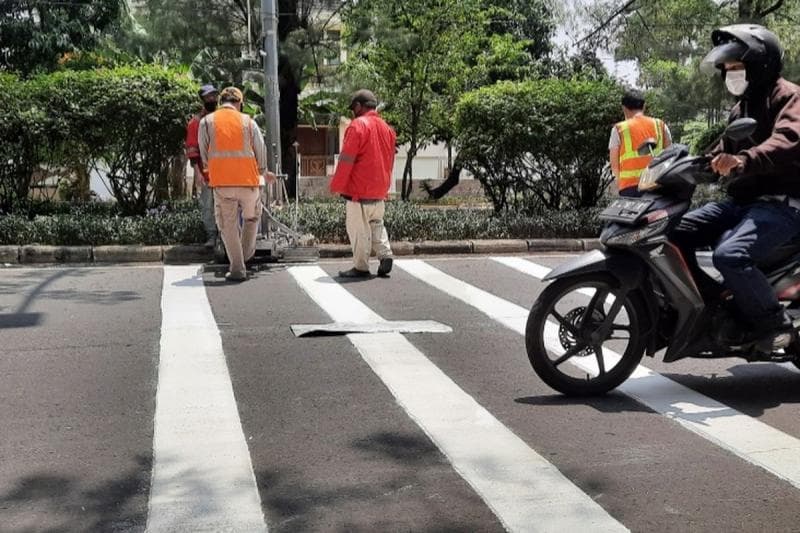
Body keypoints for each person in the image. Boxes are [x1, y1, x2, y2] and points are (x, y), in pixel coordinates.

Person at [670, 24, 800, 350]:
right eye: (727, 69)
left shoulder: (789, 97)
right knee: (671, 231)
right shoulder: (741, 107)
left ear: (760, 66)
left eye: (737, 67)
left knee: (730, 255)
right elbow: (720, 150)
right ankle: (711, 304)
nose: (731, 75)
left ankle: (775, 322)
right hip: (742, 203)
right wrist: (684, 166)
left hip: (782, 205)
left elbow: (787, 142)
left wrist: (743, 160)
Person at [198, 86, 275, 282]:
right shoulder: (248, 122)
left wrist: (210, 170)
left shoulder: (207, 122)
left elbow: (204, 153)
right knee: (251, 218)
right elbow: (260, 148)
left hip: (222, 184)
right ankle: (247, 254)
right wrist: (263, 172)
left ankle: (238, 268)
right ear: (239, 103)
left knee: (228, 226)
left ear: (221, 101)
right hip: (248, 183)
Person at [330, 89, 397, 278]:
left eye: (354, 108)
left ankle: (360, 266)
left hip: (358, 191)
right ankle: (385, 255)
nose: (353, 112)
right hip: (379, 190)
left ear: (359, 106)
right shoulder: (387, 128)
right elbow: (390, 161)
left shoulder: (358, 125)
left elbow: (347, 160)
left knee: (358, 229)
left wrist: (336, 186)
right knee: (376, 224)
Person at [609, 89, 672, 197]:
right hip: (657, 185)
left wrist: (620, 184)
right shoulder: (660, 125)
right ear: (644, 106)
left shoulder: (619, 129)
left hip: (630, 188)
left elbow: (614, 166)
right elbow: (670, 155)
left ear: (624, 108)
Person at [186, 84, 220, 249]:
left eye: (214, 95)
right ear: (203, 99)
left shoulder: (223, 118)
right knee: (208, 206)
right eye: (208, 97)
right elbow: (192, 150)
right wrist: (197, 173)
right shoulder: (195, 123)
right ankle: (212, 236)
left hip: (225, 173)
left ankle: (226, 236)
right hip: (206, 174)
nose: (212, 99)